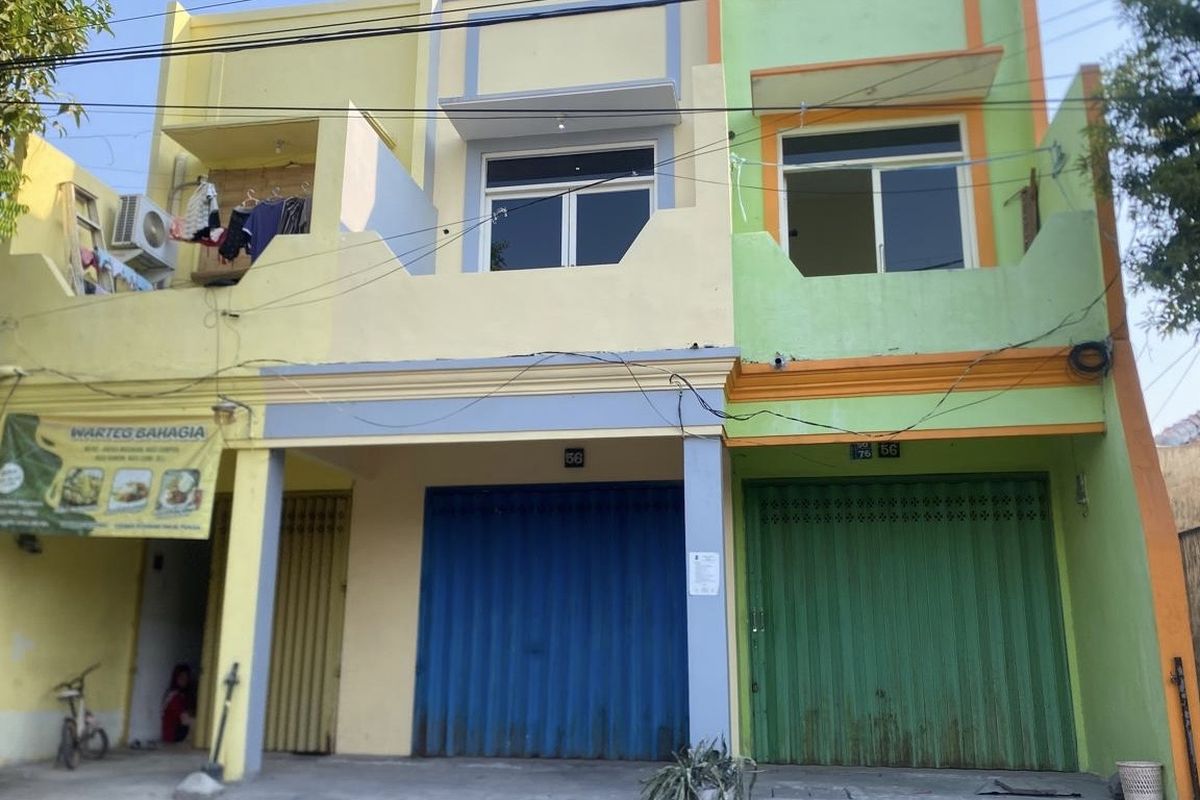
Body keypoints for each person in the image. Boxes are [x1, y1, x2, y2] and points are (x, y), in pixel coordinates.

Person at [161, 663, 196, 744]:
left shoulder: (180, 694)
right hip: (173, 736)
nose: (185, 680)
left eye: (187, 677)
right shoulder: (174, 696)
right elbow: (185, 719)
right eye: (181, 677)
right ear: (176, 678)